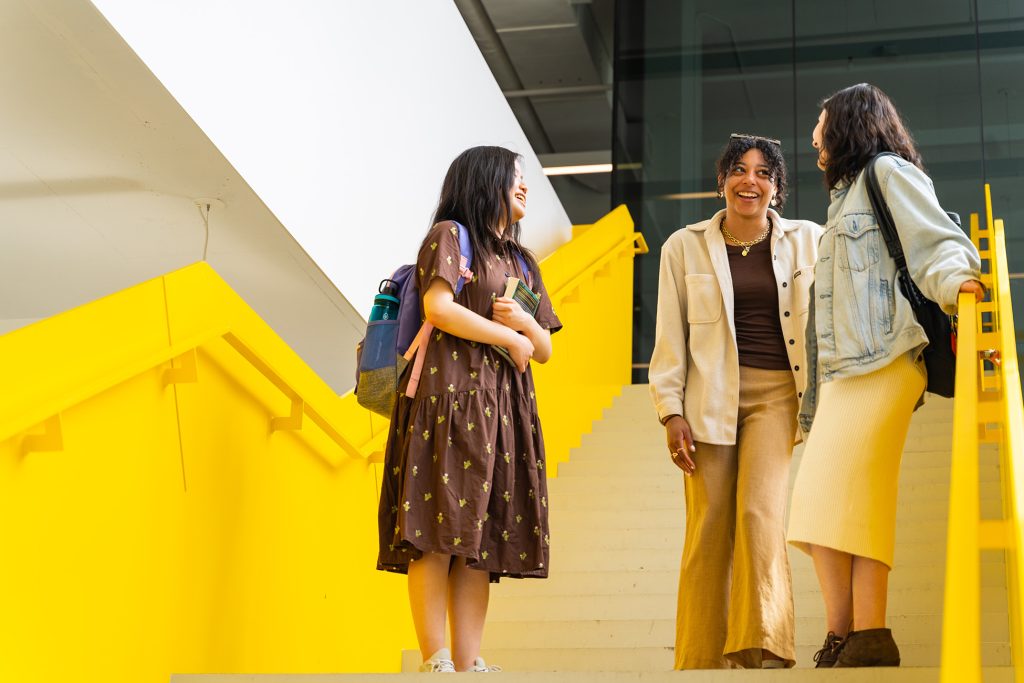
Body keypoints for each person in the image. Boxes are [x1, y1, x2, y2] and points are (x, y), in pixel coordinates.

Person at [787, 83, 984, 668]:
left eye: (819, 125)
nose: (814, 137)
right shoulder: (843, 202)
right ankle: (860, 634)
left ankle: (858, 630)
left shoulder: (888, 173)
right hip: (846, 372)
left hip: (886, 361)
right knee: (839, 502)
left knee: (829, 495)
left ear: (847, 123)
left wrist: (958, 284)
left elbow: (936, 243)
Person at [376, 146, 561, 673]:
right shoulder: (450, 237)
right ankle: (436, 659)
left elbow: (543, 347)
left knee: (478, 543)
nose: (523, 187)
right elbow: (438, 307)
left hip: (505, 413)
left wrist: (522, 327)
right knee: (436, 535)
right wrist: (509, 332)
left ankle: (469, 660)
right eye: (515, 178)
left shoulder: (524, 263)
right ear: (485, 180)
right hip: (448, 401)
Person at [649, 134, 821, 669]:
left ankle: (761, 644)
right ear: (721, 180)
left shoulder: (810, 241)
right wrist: (670, 411)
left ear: (778, 188)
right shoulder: (684, 246)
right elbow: (670, 336)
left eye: (764, 172)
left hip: (776, 395)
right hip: (708, 398)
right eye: (740, 170)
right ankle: (701, 658)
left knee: (758, 510)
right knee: (708, 525)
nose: (751, 180)